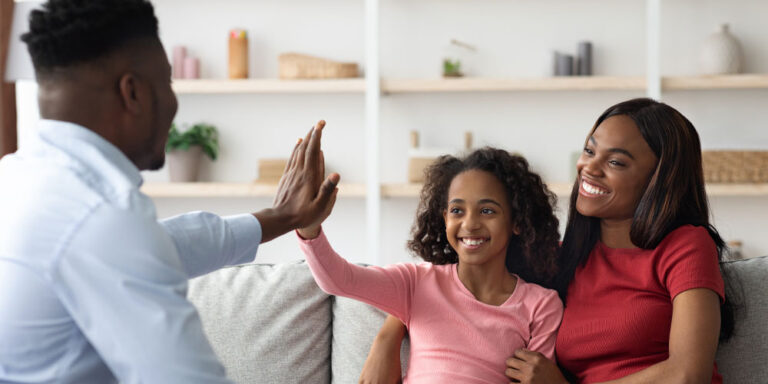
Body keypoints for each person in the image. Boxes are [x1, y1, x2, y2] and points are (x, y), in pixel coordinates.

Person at [0, 1, 338, 383]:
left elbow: (167, 244)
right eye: (168, 83)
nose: (174, 104)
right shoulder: (100, 215)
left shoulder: (18, 179)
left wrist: (280, 217)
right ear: (133, 93)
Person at [361, 98, 733, 384]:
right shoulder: (564, 259)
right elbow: (453, 278)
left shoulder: (686, 245)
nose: (589, 168)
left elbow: (688, 374)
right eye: (590, 151)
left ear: (660, 178)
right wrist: (389, 335)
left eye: (616, 162)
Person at [296, 147, 564, 383]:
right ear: (445, 218)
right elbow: (338, 280)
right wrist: (310, 228)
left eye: (487, 211)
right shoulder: (416, 282)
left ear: (517, 221)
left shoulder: (541, 305)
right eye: (457, 211)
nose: (470, 224)